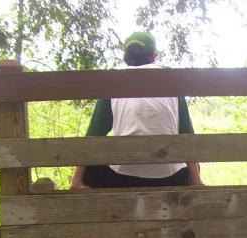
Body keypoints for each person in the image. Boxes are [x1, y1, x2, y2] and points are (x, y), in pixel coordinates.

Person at [71, 31, 202, 189]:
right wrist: (196, 180)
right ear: (154, 56)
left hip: (121, 177)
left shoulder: (113, 82)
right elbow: (187, 136)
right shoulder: (170, 80)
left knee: (89, 170)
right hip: (170, 177)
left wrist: (77, 180)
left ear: (126, 58)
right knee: (188, 166)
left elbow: (92, 136)